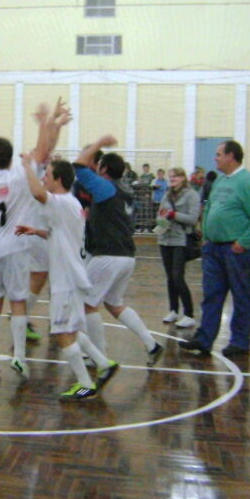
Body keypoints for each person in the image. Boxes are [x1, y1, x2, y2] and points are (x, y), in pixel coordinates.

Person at [17, 105, 118, 401]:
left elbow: (38, 193)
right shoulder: (70, 203)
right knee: (72, 329)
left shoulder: (59, 202)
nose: (45, 176)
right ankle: (103, 362)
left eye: (48, 174)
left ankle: (85, 383)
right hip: (73, 276)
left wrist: (26, 167)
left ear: (59, 179)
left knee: (62, 333)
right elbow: (59, 233)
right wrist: (37, 232)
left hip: (65, 281)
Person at [74, 136, 164, 367]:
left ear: (103, 168)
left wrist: (97, 143)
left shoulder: (106, 187)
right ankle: (151, 343)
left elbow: (79, 167)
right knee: (114, 304)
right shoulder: (124, 189)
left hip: (109, 255)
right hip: (126, 256)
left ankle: (99, 355)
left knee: (86, 303)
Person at [180, 140, 250, 358]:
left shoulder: (248, 182)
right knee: (211, 295)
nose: (215, 158)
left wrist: (244, 242)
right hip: (214, 249)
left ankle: (239, 341)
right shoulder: (220, 180)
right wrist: (207, 235)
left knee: (241, 296)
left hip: (236, 250)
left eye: (219, 154)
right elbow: (210, 207)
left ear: (231, 156)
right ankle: (204, 339)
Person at [0, 130, 47, 379]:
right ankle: (19, 358)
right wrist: (45, 125)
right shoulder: (18, 177)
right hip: (16, 246)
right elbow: (42, 153)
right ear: (9, 158)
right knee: (17, 302)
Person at [156, 167, 201, 328]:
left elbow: (193, 218)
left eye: (175, 176)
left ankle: (189, 313)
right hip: (165, 239)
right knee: (170, 277)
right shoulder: (167, 195)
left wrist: (174, 215)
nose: (172, 178)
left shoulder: (192, 195)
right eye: (170, 176)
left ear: (183, 178)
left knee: (177, 276)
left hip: (181, 240)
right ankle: (173, 310)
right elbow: (159, 213)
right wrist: (161, 218)